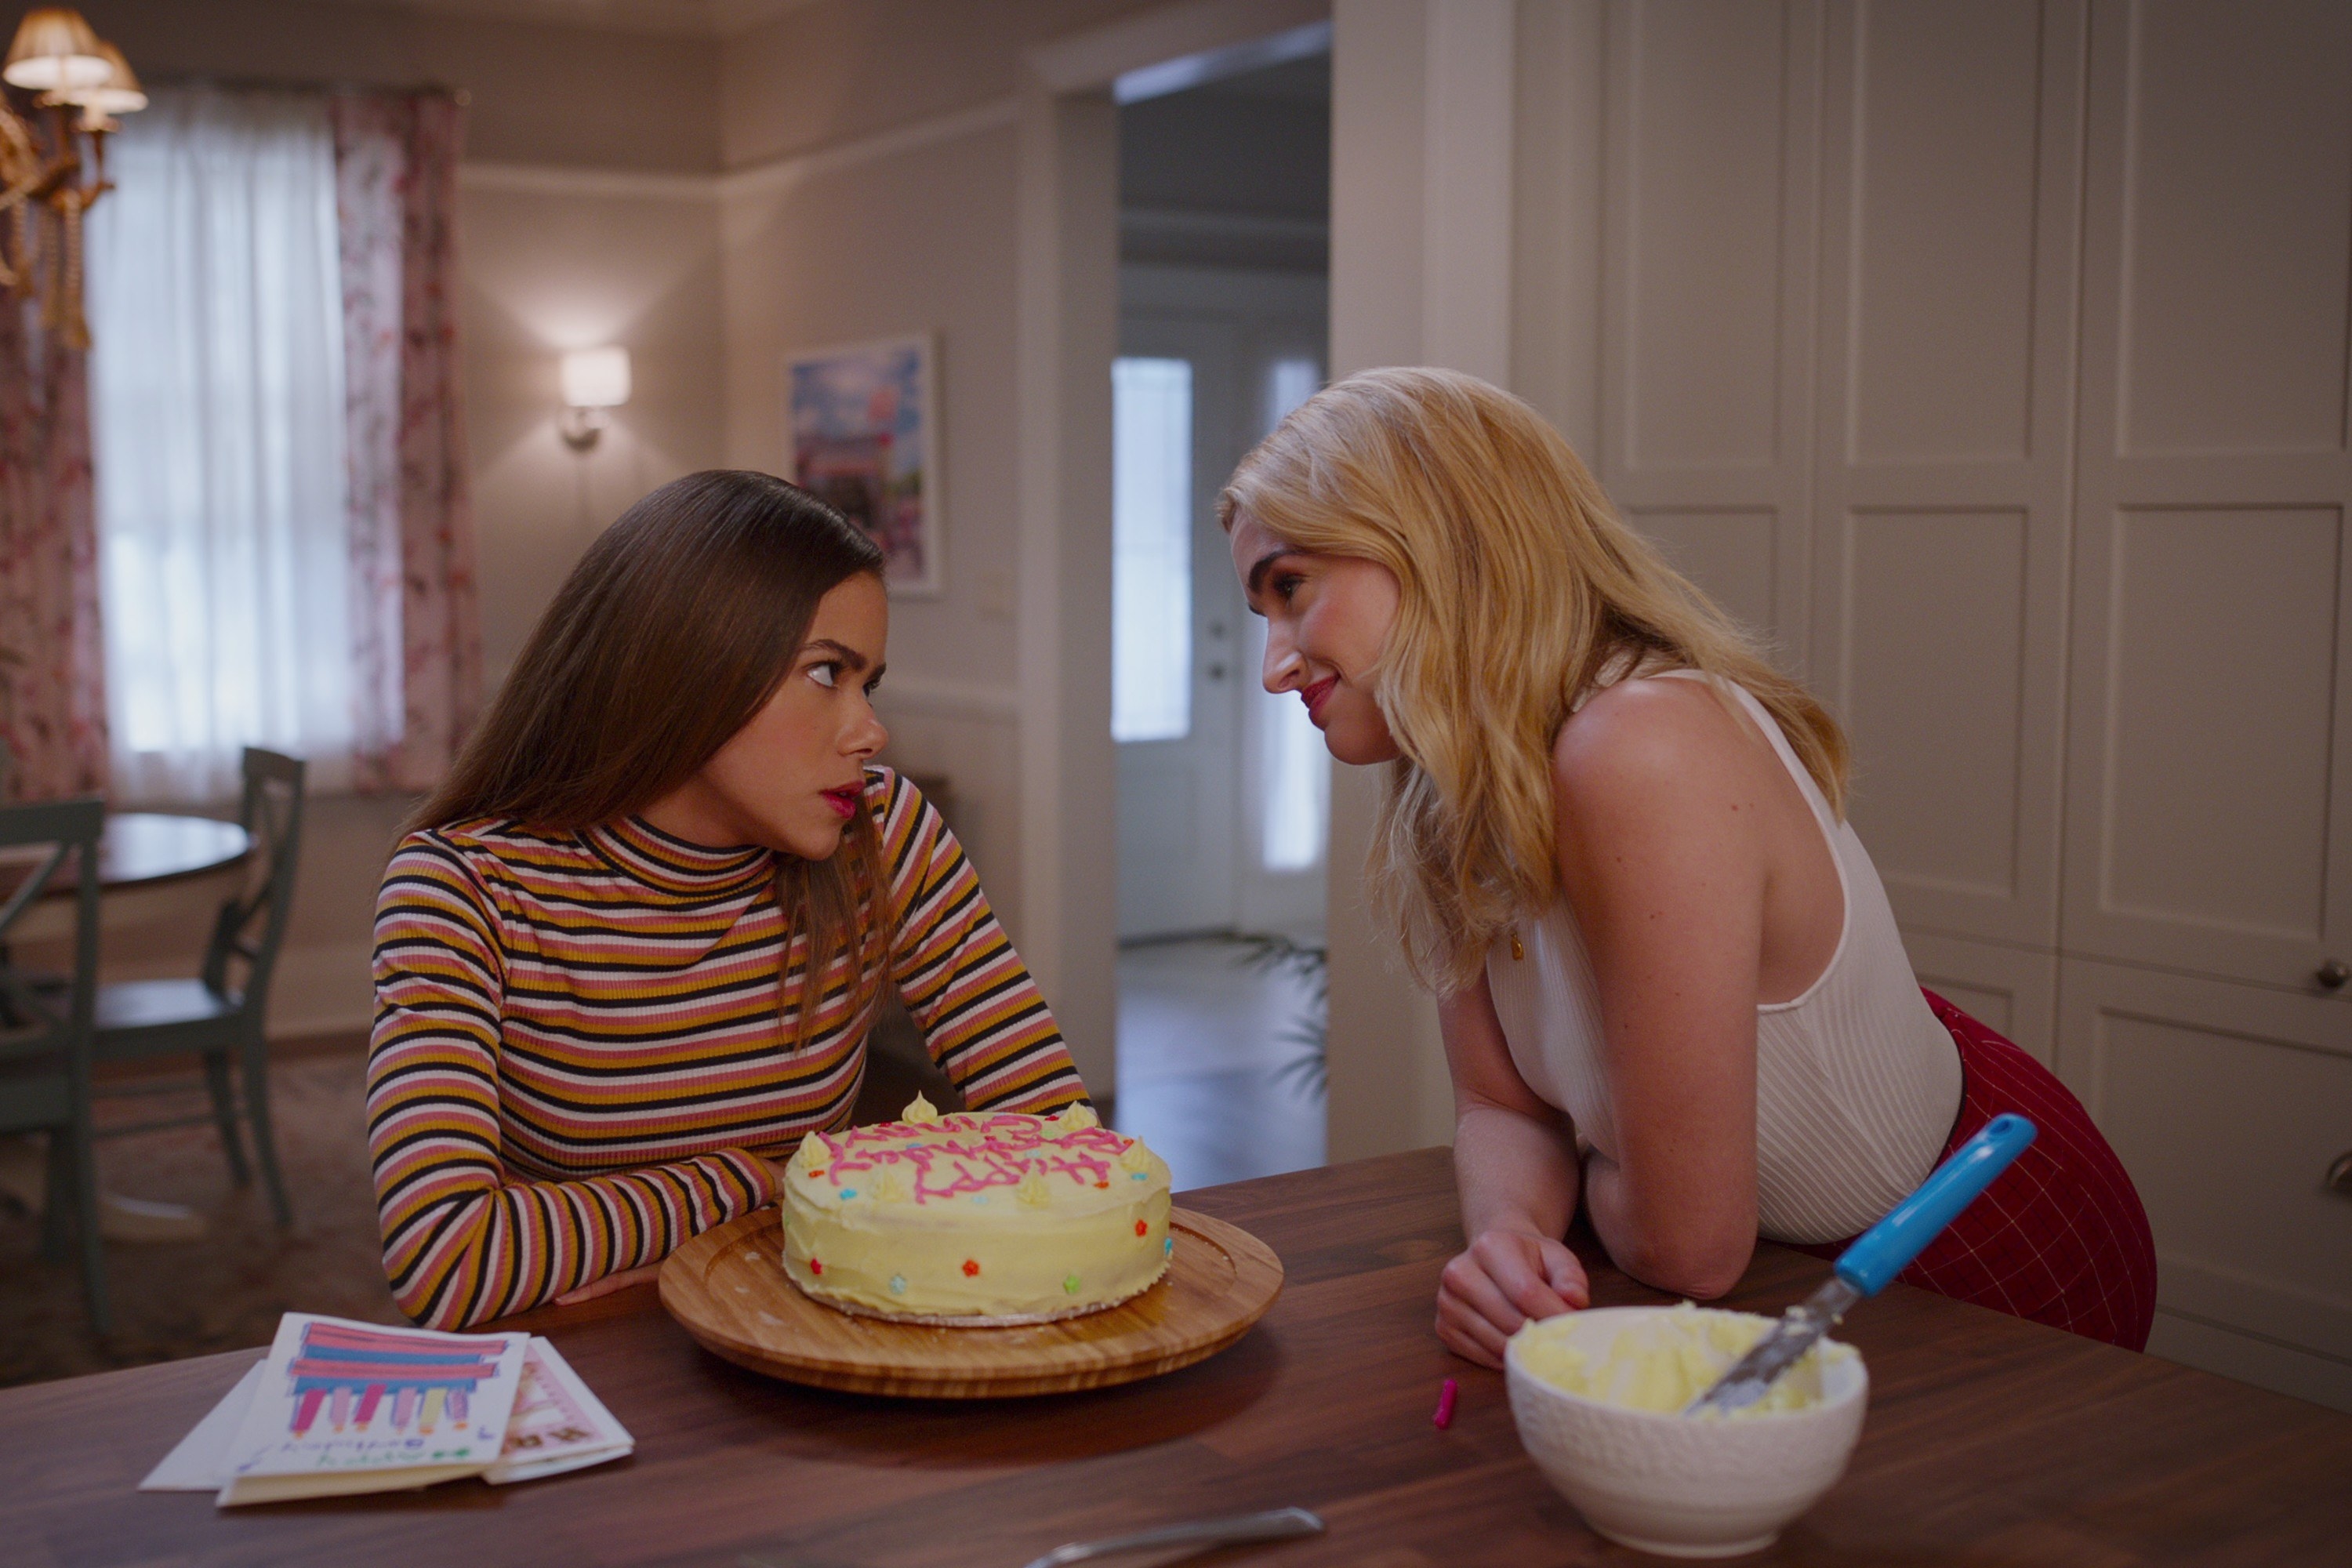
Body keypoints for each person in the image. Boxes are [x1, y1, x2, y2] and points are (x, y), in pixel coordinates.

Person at [1221, 368, 2155, 1367]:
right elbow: (1502, 1107)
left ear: (1444, 539)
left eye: (1291, 587)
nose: (1275, 662)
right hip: (1791, 1277)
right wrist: (1515, 1239)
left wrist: (1597, 1178)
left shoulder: (1643, 743)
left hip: (1967, 1248)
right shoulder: (1449, 788)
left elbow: (1691, 1246)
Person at [368, 471, 1087, 1330]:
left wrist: (597, 1223)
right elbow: (445, 1259)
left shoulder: (886, 834)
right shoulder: (465, 887)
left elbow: (1062, 1140)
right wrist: (755, 1183)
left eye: (870, 684)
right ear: (690, 668)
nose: (869, 729)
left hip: (807, 1354)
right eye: (826, 673)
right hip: (587, 1373)